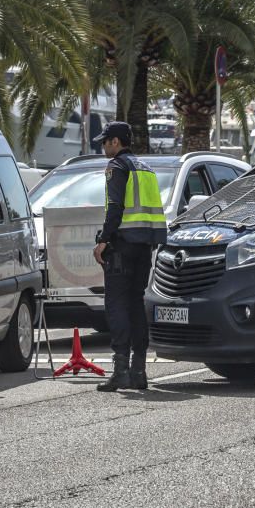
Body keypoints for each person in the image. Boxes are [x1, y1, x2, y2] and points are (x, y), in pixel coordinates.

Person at [92, 121, 167, 392]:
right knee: (136, 304)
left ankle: (120, 370)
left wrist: (103, 240)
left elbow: (115, 206)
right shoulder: (145, 168)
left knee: (117, 305)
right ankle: (139, 371)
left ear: (115, 142)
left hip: (122, 245)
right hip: (144, 246)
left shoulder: (116, 167)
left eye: (105, 141)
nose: (102, 146)